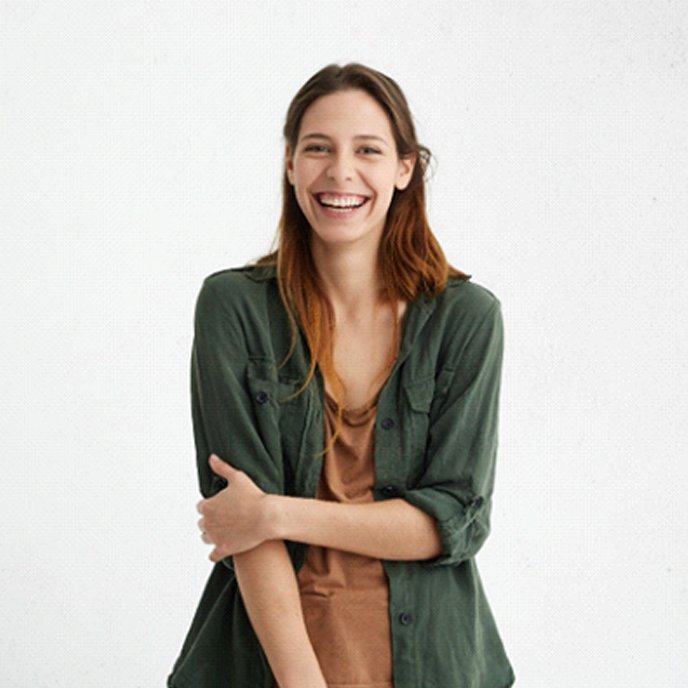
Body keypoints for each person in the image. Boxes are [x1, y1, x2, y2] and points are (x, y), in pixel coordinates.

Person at [167, 62, 515, 688]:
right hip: (268, 665)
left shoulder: (467, 319)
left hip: (435, 664)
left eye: (369, 150)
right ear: (291, 163)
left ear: (405, 168)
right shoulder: (234, 309)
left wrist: (275, 513)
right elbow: (241, 526)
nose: (341, 172)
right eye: (318, 148)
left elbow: (453, 522)